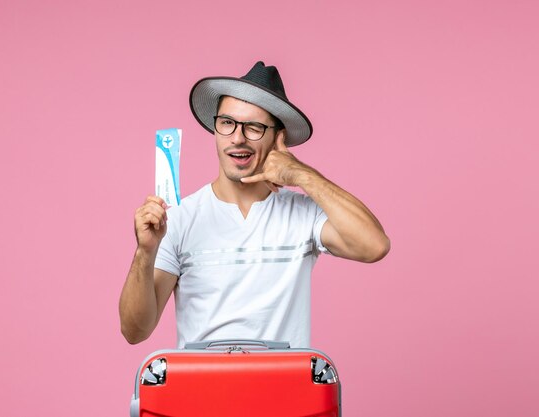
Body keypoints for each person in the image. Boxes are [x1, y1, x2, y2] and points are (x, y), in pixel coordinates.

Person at [119, 61, 390, 348]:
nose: (237, 138)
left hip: (284, 389)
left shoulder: (303, 214)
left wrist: (301, 173)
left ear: (278, 137)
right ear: (215, 129)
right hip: (203, 390)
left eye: (254, 127)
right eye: (227, 123)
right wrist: (145, 252)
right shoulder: (179, 220)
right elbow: (135, 331)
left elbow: (375, 246)